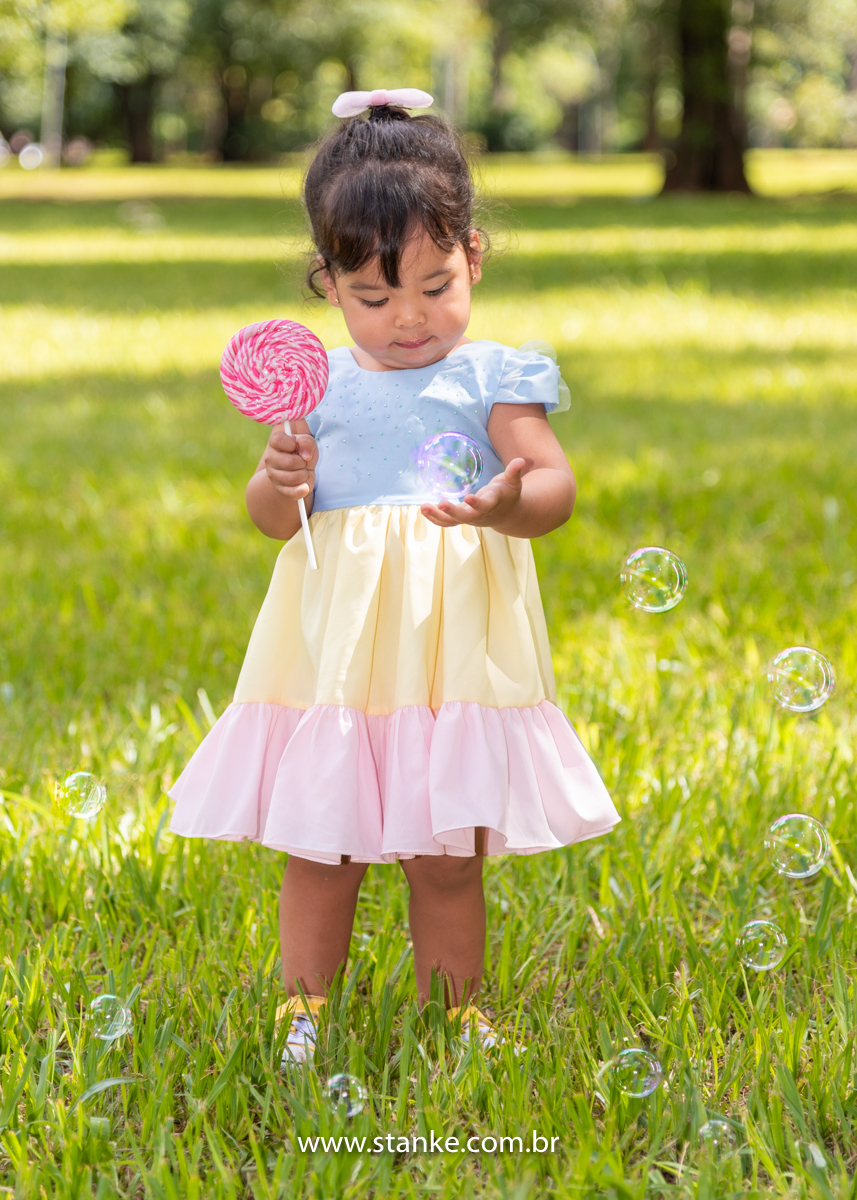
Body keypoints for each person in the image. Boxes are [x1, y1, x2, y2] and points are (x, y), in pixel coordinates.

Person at [169, 86, 619, 1064]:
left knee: (445, 851)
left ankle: (457, 1014)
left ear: (473, 260)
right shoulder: (314, 388)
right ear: (327, 284)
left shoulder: (488, 374)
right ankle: (302, 1015)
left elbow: (550, 487)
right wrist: (278, 480)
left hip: (450, 653)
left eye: (434, 285)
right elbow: (272, 521)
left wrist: (508, 502)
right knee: (320, 845)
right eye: (374, 297)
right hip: (334, 658)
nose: (409, 317)